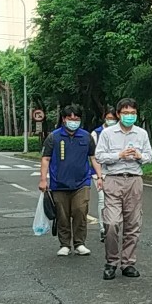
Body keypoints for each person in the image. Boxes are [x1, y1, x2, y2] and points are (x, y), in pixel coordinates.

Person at [94, 98, 152, 280]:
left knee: (133, 223)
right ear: (118, 114)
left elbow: (149, 156)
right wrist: (119, 155)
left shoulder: (141, 134)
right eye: (126, 113)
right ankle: (111, 261)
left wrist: (139, 155)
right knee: (111, 223)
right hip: (113, 179)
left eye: (133, 113)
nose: (130, 116)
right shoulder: (108, 133)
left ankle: (128, 262)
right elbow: (99, 156)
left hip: (134, 180)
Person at [40, 106, 101, 257]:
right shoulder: (53, 137)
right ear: (64, 119)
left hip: (82, 182)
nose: (74, 122)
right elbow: (45, 159)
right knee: (62, 214)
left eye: (77, 119)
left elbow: (93, 158)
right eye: (71, 119)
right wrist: (43, 180)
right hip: (59, 183)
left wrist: (100, 176)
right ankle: (65, 244)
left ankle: (79, 243)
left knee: (80, 210)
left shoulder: (86, 137)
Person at [93, 108, 118, 241]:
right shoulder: (96, 133)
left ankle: (113, 226)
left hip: (115, 172)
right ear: (104, 118)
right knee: (103, 199)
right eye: (109, 118)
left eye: (113, 119)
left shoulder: (120, 132)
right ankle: (103, 228)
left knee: (114, 201)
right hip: (99, 172)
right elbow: (93, 156)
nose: (111, 121)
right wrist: (99, 175)